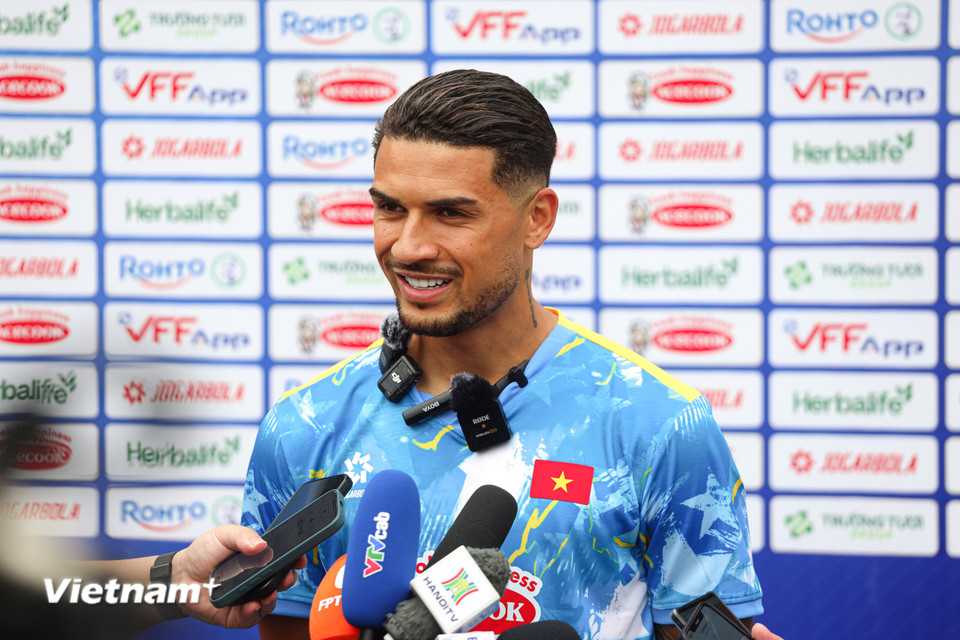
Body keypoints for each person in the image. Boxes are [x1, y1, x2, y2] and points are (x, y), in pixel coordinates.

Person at [242, 69, 778, 640]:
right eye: (390, 208)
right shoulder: (302, 427)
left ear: (537, 219)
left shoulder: (661, 424)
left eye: (451, 213)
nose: (409, 246)